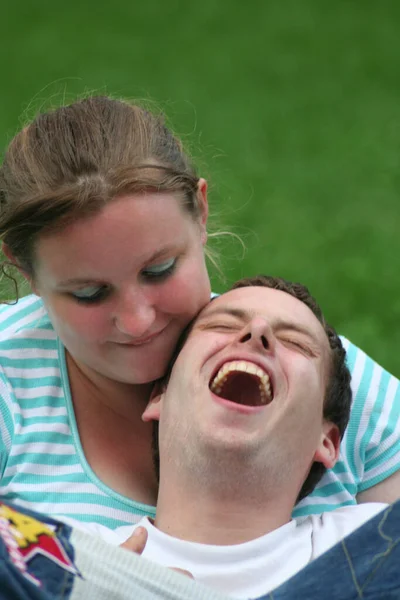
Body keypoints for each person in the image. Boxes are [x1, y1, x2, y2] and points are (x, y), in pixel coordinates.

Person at [0, 95, 399, 535]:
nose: (137, 320)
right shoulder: (9, 384)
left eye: (159, 270)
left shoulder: (318, 379)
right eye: (90, 294)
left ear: (201, 211)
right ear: (26, 272)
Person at [1, 277, 400, 600]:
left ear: (328, 440)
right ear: (160, 397)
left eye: (295, 342)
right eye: (222, 325)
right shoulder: (61, 559)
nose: (257, 332)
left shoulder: (377, 542)